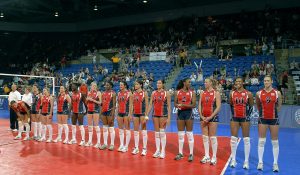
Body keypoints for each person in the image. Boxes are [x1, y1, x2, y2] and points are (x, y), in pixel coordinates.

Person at [256, 75, 282, 172]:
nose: (266, 82)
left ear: (271, 81)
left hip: (273, 119)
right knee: (261, 141)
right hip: (263, 119)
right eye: (265, 81)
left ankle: (275, 163)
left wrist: (273, 114)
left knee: (275, 142)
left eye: (268, 81)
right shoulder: (259, 93)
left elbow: (279, 106)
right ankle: (260, 162)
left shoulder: (277, 93)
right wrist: (263, 113)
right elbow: (258, 105)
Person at [229, 77, 254, 169]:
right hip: (235, 118)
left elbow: (251, 106)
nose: (238, 83)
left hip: (244, 119)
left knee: (246, 139)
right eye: (236, 81)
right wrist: (233, 115)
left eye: (240, 81)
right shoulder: (232, 93)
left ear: (243, 83)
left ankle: (246, 161)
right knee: (233, 139)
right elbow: (231, 104)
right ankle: (233, 160)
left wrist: (247, 116)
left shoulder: (249, 94)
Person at [198, 78, 221, 165]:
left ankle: (214, 157)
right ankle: (207, 156)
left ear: (211, 83)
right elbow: (199, 105)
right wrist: (201, 115)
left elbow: (218, 106)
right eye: (204, 82)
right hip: (203, 117)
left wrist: (211, 116)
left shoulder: (216, 93)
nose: (205, 83)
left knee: (212, 137)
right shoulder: (202, 93)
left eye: (206, 82)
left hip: (213, 117)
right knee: (205, 137)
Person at [147, 80, 171, 159]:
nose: (158, 84)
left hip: (163, 115)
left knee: (162, 133)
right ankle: (157, 150)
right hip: (155, 115)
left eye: (160, 83)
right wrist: (147, 114)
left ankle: (163, 151)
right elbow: (151, 104)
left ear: (163, 84)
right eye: (157, 83)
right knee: (157, 133)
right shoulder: (154, 93)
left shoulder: (166, 93)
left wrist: (169, 118)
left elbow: (169, 106)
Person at [174, 78, 196, 162]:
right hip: (180, 113)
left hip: (188, 113)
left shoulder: (192, 93)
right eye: (188, 82)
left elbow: (194, 105)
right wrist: (177, 105)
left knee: (189, 134)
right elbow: (175, 103)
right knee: (180, 134)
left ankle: (191, 154)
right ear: (184, 83)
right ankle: (180, 153)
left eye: (190, 82)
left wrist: (183, 105)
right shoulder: (177, 92)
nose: (190, 83)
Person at [130, 80, 149, 156]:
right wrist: (130, 114)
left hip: (142, 114)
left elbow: (147, 105)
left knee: (144, 131)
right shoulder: (133, 94)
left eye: (137, 84)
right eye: (135, 84)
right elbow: (131, 105)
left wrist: (146, 115)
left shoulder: (145, 93)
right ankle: (136, 148)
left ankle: (144, 149)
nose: (135, 85)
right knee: (135, 131)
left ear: (141, 85)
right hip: (135, 114)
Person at [100, 81, 116, 151]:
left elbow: (114, 105)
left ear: (111, 86)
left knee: (111, 128)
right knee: (105, 128)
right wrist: (100, 113)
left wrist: (113, 115)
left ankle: (112, 144)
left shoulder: (113, 94)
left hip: (110, 111)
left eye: (108, 85)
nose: (106, 86)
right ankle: (105, 144)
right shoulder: (103, 93)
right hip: (104, 111)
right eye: (105, 85)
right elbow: (102, 104)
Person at [116, 81, 132, 152]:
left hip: (126, 112)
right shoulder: (119, 93)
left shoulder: (129, 93)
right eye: (120, 85)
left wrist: (130, 114)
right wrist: (116, 113)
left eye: (121, 85)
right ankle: (121, 144)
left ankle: (126, 146)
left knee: (127, 129)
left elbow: (131, 105)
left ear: (125, 86)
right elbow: (117, 104)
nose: (120, 86)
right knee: (120, 130)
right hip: (119, 112)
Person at [85, 82, 102, 148]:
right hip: (89, 110)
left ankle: (98, 143)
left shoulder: (98, 93)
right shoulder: (89, 93)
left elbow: (100, 103)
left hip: (96, 110)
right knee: (90, 126)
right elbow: (86, 102)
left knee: (96, 126)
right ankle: (90, 141)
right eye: (93, 86)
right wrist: (87, 100)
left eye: (95, 86)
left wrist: (92, 100)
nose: (94, 87)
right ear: (91, 86)